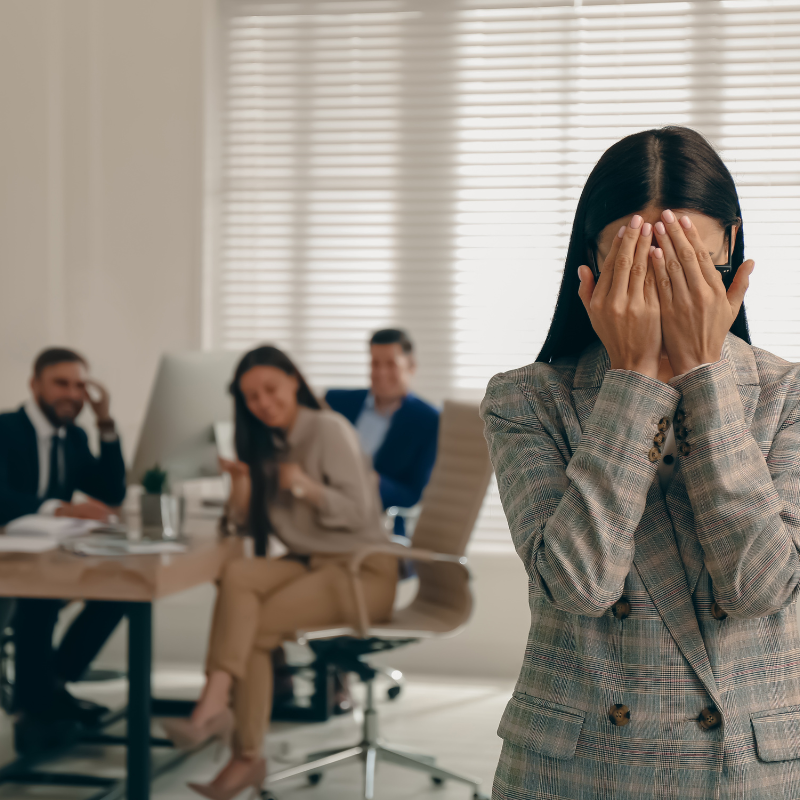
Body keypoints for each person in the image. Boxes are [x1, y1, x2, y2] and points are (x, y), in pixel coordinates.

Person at [482, 126, 800, 800]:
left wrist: (703, 376)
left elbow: (761, 586)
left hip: (749, 770)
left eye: (688, 263)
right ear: (592, 265)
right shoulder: (525, 399)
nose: (662, 289)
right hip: (574, 770)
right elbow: (579, 585)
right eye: (637, 264)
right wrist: (632, 382)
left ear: (730, 248)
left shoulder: (788, 397)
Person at [161, 345, 397, 799]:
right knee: (239, 575)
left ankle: (233, 740)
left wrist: (305, 487)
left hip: (362, 572)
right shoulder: (267, 443)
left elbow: (360, 514)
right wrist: (242, 484)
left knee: (254, 628)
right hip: (313, 564)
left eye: (270, 389)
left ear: (293, 379)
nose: (263, 403)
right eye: (251, 397)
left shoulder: (327, 429)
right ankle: (217, 710)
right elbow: (245, 527)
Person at [0, 348, 127, 751]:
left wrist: (105, 422)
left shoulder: (73, 437)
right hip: (10, 561)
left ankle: (50, 685)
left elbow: (112, 491)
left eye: (79, 386)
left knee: (123, 588)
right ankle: (33, 712)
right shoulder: (5, 429)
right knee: (39, 596)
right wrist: (61, 509)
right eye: (61, 383)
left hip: (45, 553)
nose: (72, 394)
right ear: (34, 384)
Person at [326, 328, 439, 537]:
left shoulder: (428, 421)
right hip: (325, 509)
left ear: (411, 366)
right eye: (375, 364)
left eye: (390, 364)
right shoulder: (336, 402)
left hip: (379, 524)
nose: (381, 373)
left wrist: (373, 481)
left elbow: (414, 495)